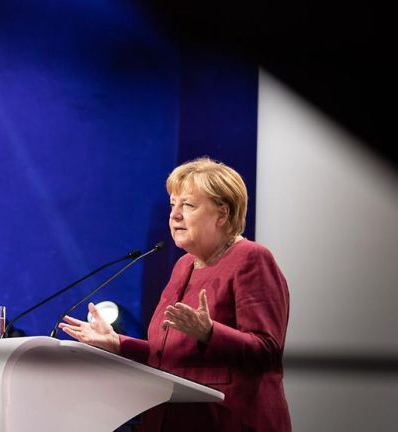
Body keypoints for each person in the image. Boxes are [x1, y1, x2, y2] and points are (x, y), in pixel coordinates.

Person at [59, 157, 291, 432]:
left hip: (228, 421)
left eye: (188, 205)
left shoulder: (251, 258)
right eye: (172, 205)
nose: (175, 215)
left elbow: (267, 352)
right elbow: (169, 358)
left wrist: (209, 333)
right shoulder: (183, 266)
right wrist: (118, 343)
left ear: (222, 214)